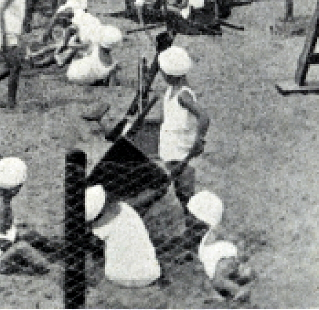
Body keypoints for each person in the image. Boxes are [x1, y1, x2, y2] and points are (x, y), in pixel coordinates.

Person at [158, 46, 210, 229]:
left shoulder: (183, 95)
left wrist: (200, 139)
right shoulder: (172, 89)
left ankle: (195, 226)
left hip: (181, 151)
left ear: (173, 75)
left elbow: (203, 116)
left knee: (185, 190)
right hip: (172, 148)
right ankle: (191, 222)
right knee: (180, 191)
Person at [0, 157, 51, 275]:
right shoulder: (2, 208)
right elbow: (0, 241)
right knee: (22, 247)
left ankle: (52, 248)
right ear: (14, 189)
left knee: (29, 233)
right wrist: (19, 246)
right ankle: (45, 267)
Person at [84, 185, 161, 288]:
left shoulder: (101, 227)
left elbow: (94, 245)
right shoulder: (125, 208)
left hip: (118, 277)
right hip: (150, 273)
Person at [187, 191, 256, 301]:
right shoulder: (210, 231)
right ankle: (241, 273)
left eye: (193, 217)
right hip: (224, 258)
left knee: (217, 280)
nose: (189, 219)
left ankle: (237, 290)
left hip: (220, 260)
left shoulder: (211, 231)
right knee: (221, 274)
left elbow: (235, 240)